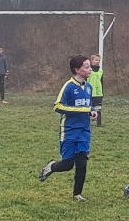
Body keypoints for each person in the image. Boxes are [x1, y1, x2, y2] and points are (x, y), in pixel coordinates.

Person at [39, 55, 96, 201]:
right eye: (86, 67)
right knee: (67, 164)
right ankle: (51, 167)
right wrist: (83, 110)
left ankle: (77, 194)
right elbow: (57, 106)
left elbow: (88, 105)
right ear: (77, 70)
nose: (90, 69)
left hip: (84, 132)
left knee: (82, 163)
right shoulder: (69, 86)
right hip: (69, 131)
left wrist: (92, 111)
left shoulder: (89, 87)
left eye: (90, 66)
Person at [88, 53, 104, 126]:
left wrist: (102, 92)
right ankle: (87, 122)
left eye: (99, 60)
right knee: (89, 108)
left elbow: (101, 82)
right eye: (96, 60)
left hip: (98, 93)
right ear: (92, 61)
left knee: (98, 108)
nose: (97, 61)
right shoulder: (89, 70)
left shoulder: (101, 71)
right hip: (90, 93)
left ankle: (99, 123)